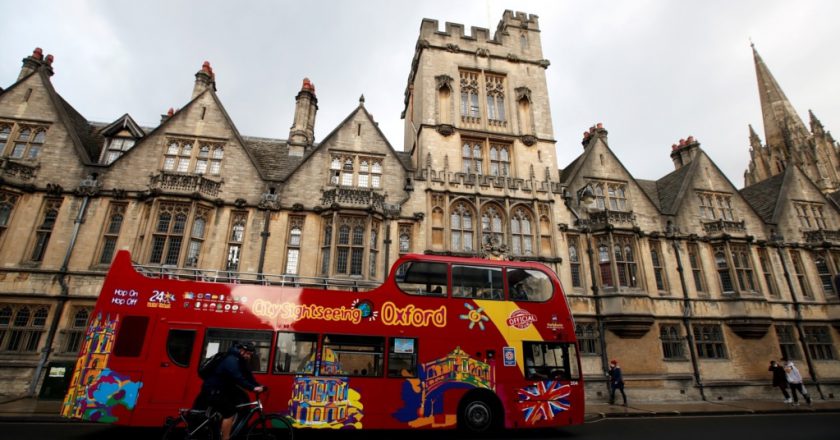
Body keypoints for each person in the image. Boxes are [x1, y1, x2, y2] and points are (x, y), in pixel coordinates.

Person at [196, 342, 265, 440]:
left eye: (251, 354)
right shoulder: (231, 360)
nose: (249, 356)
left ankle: (220, 429)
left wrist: (258, 385)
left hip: (222, 389)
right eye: (248, 354)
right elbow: (238, 377)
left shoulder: (240, 360)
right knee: (229, 412)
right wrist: (252, 388)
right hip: (213, 390)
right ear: (242, 351)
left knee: (237, 403)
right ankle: (225, 438)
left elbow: (248, 376)